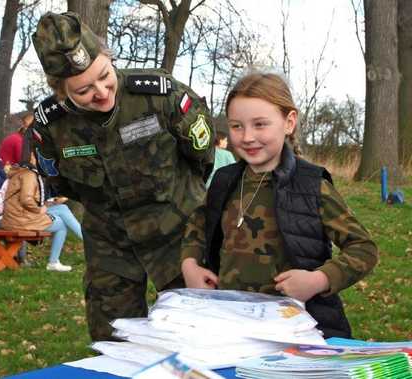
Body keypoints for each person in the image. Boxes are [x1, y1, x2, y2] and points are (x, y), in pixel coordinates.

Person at [30, 12, 215, 340]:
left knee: (199, 336)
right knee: (114, 343)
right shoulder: (51, 127)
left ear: (109, 57)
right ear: (61, 93)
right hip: (110, 245)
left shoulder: (159, 96)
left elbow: (202, 154)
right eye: (84, 90)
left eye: (105, 75)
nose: (101, 92)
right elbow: (62, 183)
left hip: (181, 235)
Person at [180, 72, 379, 338]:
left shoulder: (312, 185)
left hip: (299, 328)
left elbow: (364, 248)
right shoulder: (224, 180)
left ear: (289, 122)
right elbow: (198, 223)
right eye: (237, 126)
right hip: (230, 324)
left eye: (260, 124)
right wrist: (189, 264)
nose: (247, 137)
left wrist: (318, 280)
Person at [2, 144, 83, 272]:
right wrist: (39, 210)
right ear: (33, 158)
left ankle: (86, 240)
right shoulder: (29, 175)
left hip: (16, 216)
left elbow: (28, 199)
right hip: (20, 219)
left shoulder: (22, 171)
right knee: (61, 224)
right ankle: (57, 260)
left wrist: (48, 204)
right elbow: (26, 199)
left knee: (62, 208)